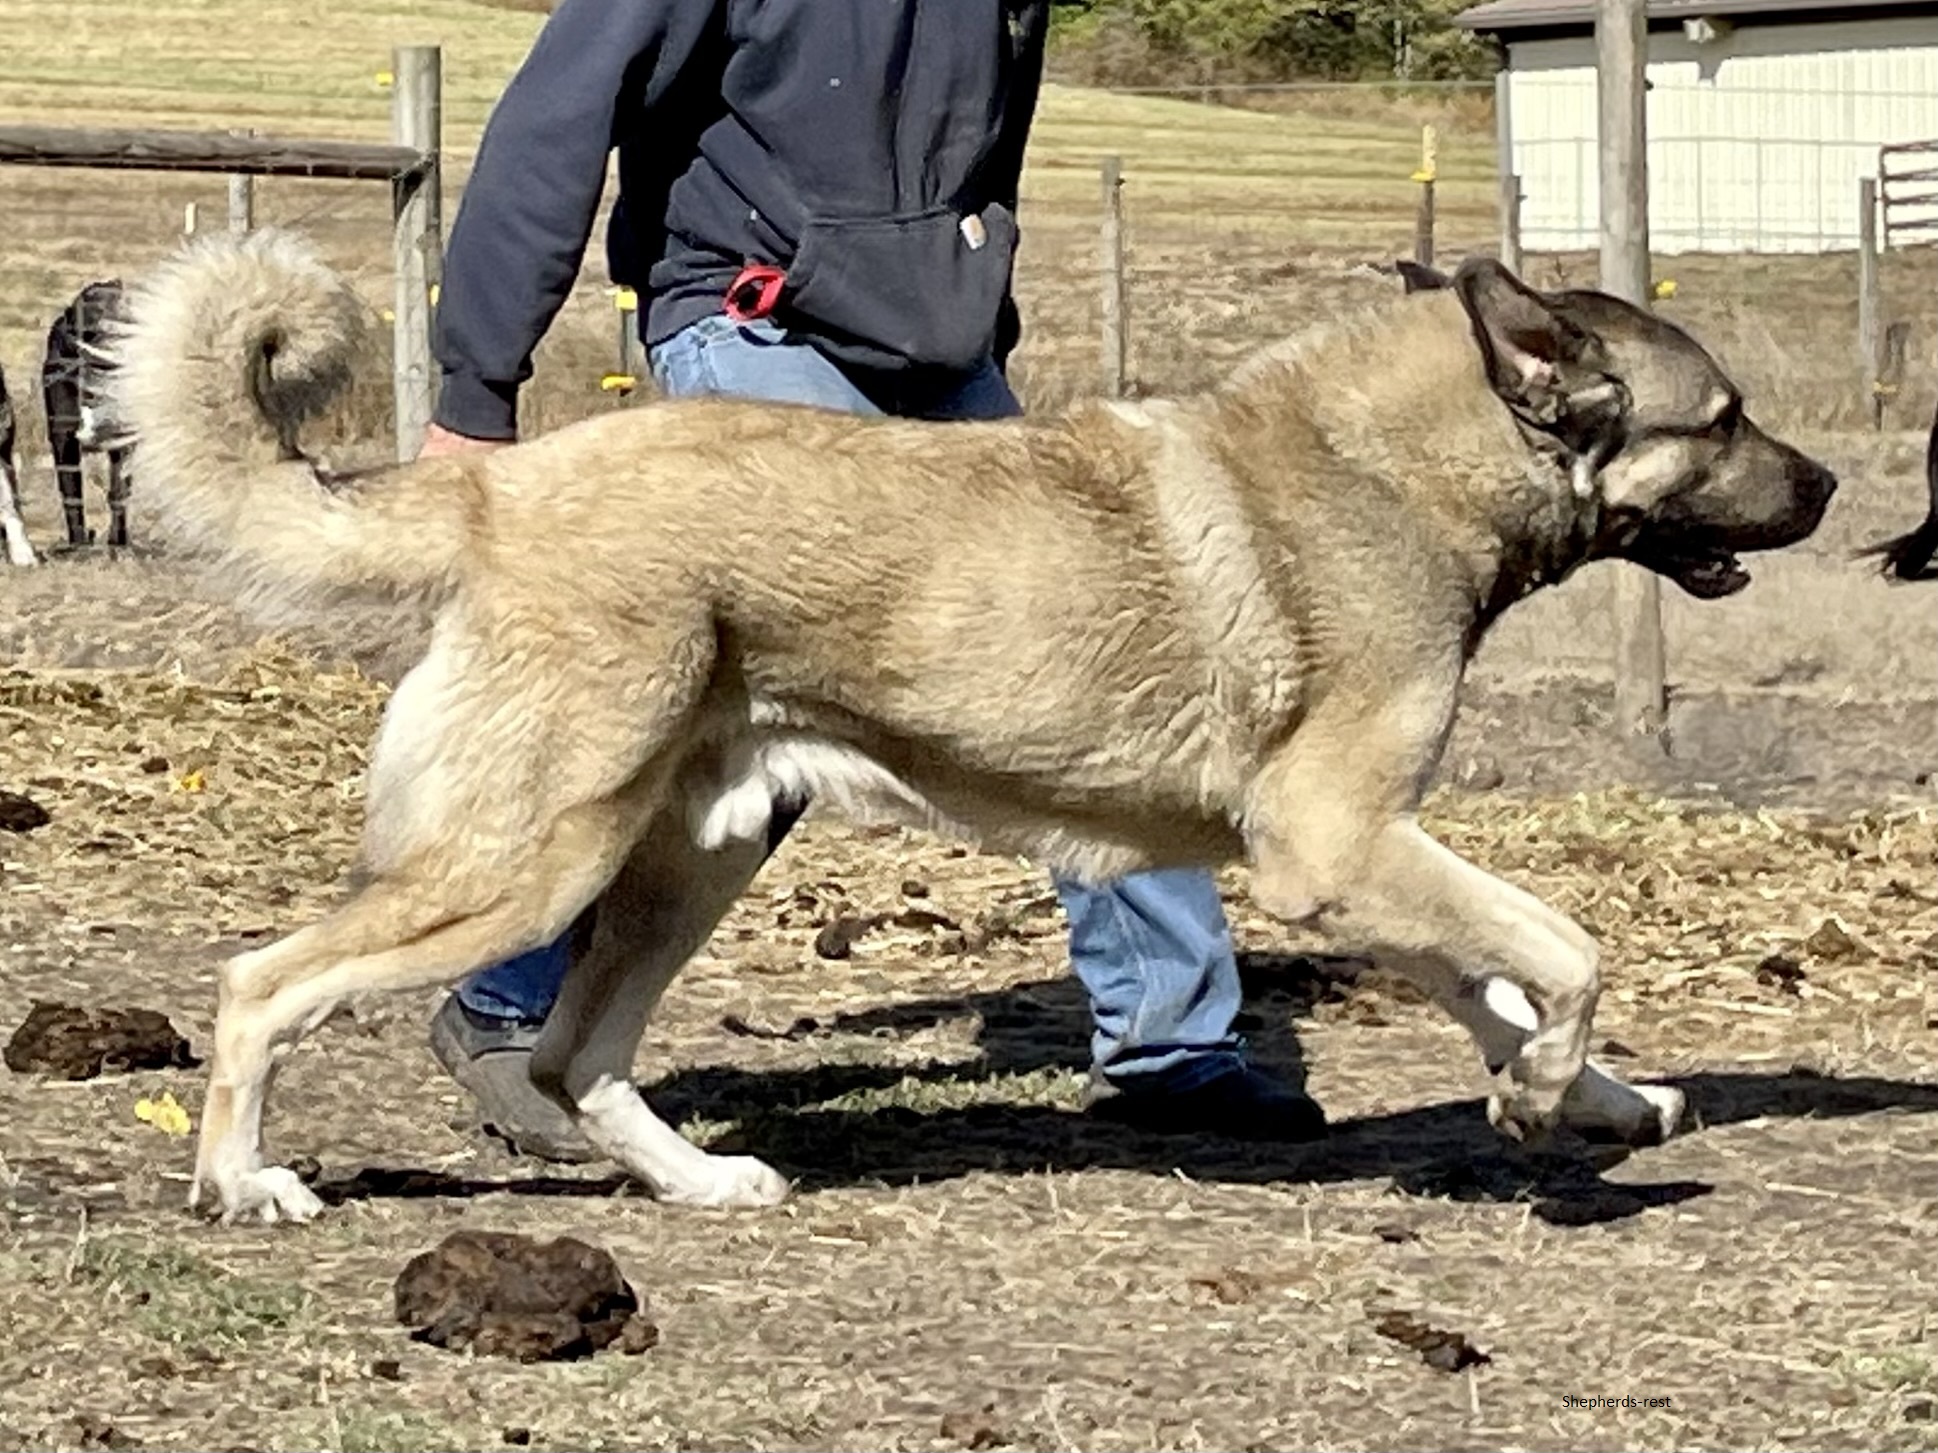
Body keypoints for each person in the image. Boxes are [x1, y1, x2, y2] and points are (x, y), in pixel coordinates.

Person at [418, 0, 1328, 1162]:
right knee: (772, 691)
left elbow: (988, 141)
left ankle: (1171, 1044)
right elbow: (556, 113)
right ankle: (510, 997)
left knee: (1102, 660)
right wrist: (476, 384)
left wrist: (974, 323)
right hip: (755, 321)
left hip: (935, 358)